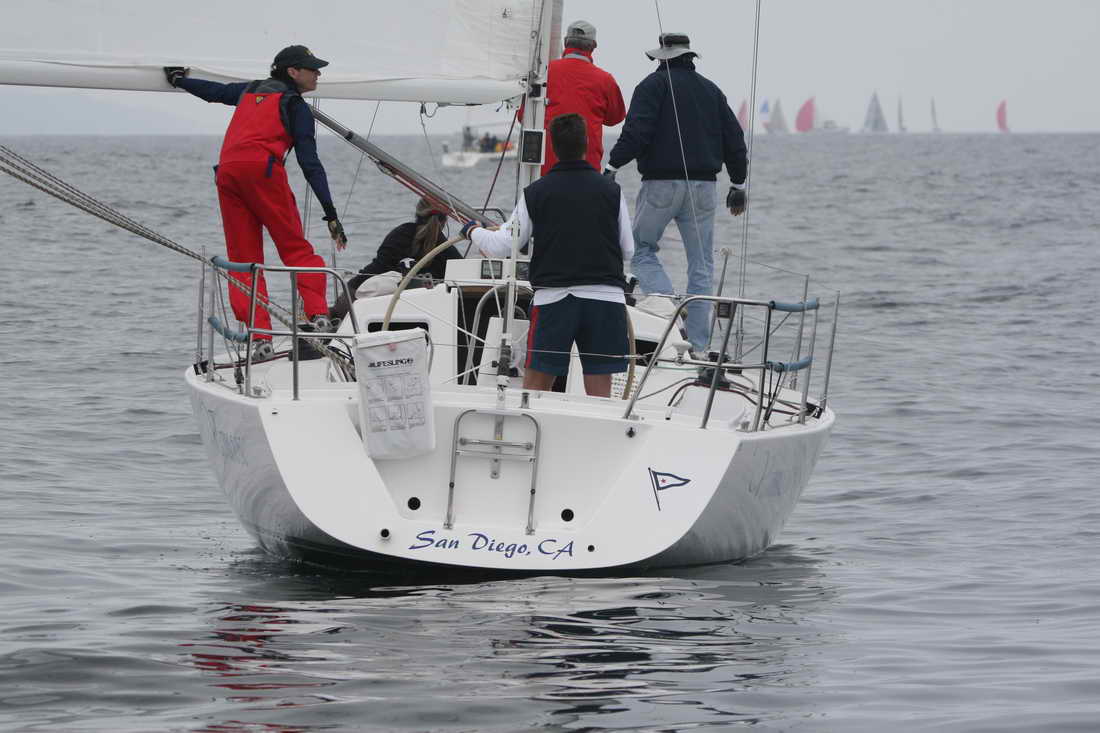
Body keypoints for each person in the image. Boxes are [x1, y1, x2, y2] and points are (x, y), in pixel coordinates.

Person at [164, 45, 348, 359]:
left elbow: (214, 92)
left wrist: (179, 80)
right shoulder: (295, 105)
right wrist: (331, 214)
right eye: (312, 69)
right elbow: (310, 164)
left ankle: (259, 337)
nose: (318, 74)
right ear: (293, 72)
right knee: (294, 247)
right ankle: (318, 315)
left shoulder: (250, 90)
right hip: (262, 171)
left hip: (227, 172)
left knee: (243, 257)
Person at [462, 114, 634, 398]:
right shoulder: (612, 191)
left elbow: (501, 246)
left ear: (552, 146)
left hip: (555, 301)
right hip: (605, 301)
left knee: (535, 388)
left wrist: (473, 232)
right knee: (599, 394)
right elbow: (628, 249)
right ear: (586, 142)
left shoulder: (536, 193)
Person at [604, 33, 747, 358]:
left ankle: (668, 309)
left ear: (661, 57)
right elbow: (734, 139)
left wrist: (612, 167)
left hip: (661, 185)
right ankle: (697, 346)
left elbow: (636, 132)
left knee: (640, 249)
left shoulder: (651, 86)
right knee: (702, 264)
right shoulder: (712, 90)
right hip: (704, 188)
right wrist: (738, 185)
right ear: (689, 57)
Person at [329, 196, 464, 322]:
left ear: (417, 214)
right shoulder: (446, 249)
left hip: (375, 306)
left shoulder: (400, 233)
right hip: (425, 313)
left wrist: (340, 305)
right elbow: (462, 277)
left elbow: (377, 267)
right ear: (444, 221)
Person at [540, 20, 626, 175]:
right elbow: (615, 118)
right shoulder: (605, 79)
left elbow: (523, 115)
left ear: (566, 42)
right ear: (593, 46)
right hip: (587, 166)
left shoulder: (543, 73)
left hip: (545, 167)